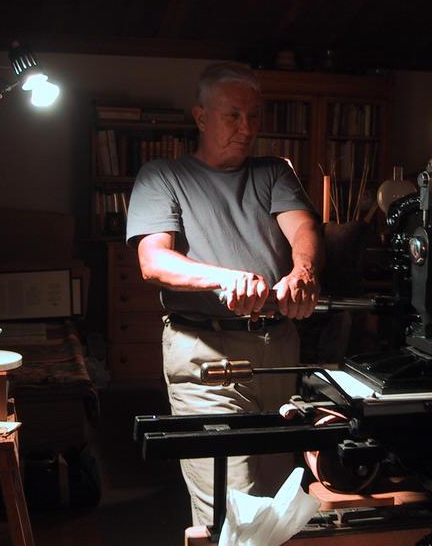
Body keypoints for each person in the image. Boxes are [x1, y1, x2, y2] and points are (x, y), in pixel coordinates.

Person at [125, 61, 323, 528]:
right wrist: (225, 279)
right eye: (233, 115)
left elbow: (304, 229)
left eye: (254, 116)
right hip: (205, 353)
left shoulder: (274, 172)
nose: (247, 128)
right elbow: (154, 261)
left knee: (279, 502)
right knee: (233, 507)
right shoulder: (162, 175)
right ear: (201, 117)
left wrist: (303, 273)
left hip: (277, 350)